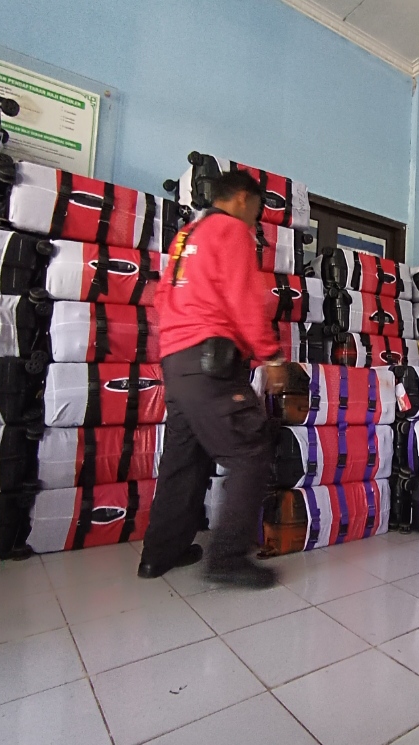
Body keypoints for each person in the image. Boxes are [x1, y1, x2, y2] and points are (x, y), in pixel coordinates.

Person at [138, 169, 287, 588]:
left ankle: (159, 554)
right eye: (257, 207)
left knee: (183, 458)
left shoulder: (186, 236)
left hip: (177, 361)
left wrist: (176, 348)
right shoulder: (232, 231)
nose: (258, 216)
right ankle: (226, 558)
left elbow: (164, 297)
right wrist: (270, 355)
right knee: (250, 453)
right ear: (242, 198)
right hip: (212, 363)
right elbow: (243, 297)